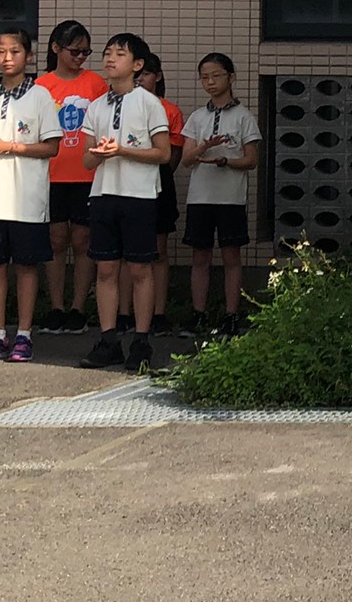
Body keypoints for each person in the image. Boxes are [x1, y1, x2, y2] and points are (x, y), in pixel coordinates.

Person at [0, 27, 62, 363]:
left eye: (15, 51)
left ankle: (24, 334)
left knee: (27, 266)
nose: (7, 58)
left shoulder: (40, 96)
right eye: (1, 51)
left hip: (27, 199)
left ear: (28, 56)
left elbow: (51, 147)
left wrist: (9, 146)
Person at [77, 33, 173, 374]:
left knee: (140, 269)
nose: (110, 59)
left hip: (140, 196)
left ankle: (141, 340)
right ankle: (109, 340)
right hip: (103, 194)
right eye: (107, 53)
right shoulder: (96, 106)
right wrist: (101, 154)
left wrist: (122, 150)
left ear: (137, 65)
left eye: (120, 54)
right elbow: (86, 161)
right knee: (105, 269)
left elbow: (163, 153)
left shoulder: (149, 103)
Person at [180, 52, 260, 338]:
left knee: (231, 257)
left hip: (230, 199)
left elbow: (252, 159)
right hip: (199, 198)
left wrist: (226, 161)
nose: (210, 82)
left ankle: (231, 315)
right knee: (200, 256)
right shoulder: (197, 117)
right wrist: (204, 147)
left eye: (216, 76)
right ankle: (198, 314)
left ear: (231, 77)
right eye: (204, 77)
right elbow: (186, 159)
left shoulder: (244, 116)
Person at [36, 21, 104, 334]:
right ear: (56, 48)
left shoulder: (96, 83)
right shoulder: (41, 86)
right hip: (50, 174)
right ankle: (56, 306)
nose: (80, 57)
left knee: (82, 240)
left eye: (85, 52)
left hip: (88, 174)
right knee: (55, 240)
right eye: (74, 51)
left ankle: (78, 307)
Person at [135, 55, 185, 328]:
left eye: (146, 74)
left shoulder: (170, 110)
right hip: (129, 182)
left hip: (160, 180)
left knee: (159, 249)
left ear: (158, 76)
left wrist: (162, 175)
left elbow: (174, 154)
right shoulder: (121, 106)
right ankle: (126, 313)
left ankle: (159, 312)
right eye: (137, 75)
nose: (140, 80)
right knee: (129, 251)